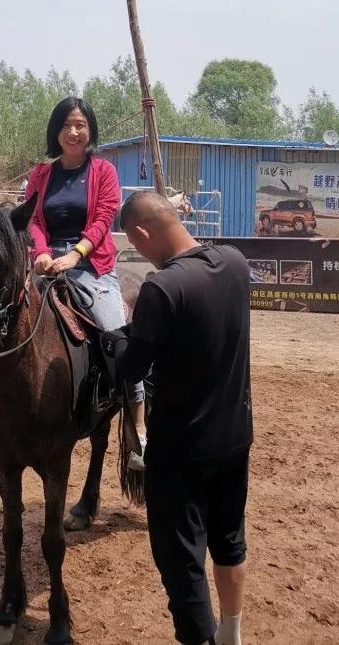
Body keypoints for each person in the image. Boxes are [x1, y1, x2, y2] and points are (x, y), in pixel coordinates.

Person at [0, 97, 146, 465]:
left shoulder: (104, 172)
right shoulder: (41, 175)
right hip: (43, 264)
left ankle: (136, 423)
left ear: (90, 130)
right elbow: (32, 220)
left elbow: (103, 219)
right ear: (55, 131)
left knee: (116, 334)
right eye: (66, 125)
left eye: (80, 125)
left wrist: (75, 255)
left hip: (91, 266)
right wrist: (42, 253)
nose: (73, 132)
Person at [113, 190, 253, 645]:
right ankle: (231, 633)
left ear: (141, 232)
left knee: (183, 562)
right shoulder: (235, 263)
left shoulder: (161, 288)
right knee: (229, 542)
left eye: (136, 243)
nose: (141, 253)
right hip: (234, 437)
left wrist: (119, 341)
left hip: (180, 451)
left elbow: (133, 368)